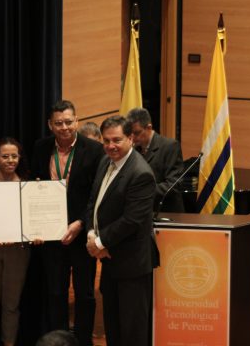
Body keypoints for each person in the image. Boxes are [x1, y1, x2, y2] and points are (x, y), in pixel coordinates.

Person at [32, 100, 105, 346]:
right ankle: (58, 341)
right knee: (55, 293)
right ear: (50, 125)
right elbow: (33, 189)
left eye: (69, 122)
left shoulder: (94, 150)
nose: (64, 127)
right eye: (58, 123)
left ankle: (83, 342)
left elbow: (97, 195)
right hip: (51, 236)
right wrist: (36, 228)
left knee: (84, 294)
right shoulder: (40, 148)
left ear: (77, 121)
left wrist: (80, 224)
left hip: (80, 233)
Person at [85, 115, 158, 346]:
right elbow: (93, 202)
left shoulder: (141, 173)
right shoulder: (106, 161)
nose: (110, 146)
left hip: (132, 267)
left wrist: (99, 242)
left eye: (116, 140)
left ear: (130, 138)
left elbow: (132, 220)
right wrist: (90, 232)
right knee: (114, 329)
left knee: (133, 333)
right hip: (111, 262)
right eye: (106, 141)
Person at [0, 138, 38, 346]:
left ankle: (9, 343)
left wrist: (37, 233)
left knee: (12, 305)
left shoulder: (28, 185)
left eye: (14, 156)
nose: (10, 160)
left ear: (20, 158)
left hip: (18, 252)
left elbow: (34, 220)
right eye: (5, 156)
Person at [126, 107, 185, 212]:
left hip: (166, 212)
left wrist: (143, 191)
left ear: (149, 128)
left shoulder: (170, 146)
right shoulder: (134, 150)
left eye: (137, 133)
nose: (133, 138)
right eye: (130, 134)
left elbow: (174, 184)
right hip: (142, 212)